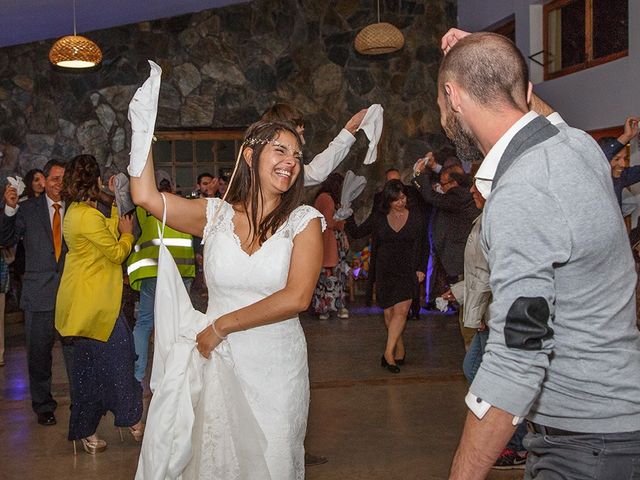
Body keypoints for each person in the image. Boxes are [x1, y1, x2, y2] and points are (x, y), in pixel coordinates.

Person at [439, 29, 640, 479]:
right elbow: (541, 119)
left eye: (441, 101)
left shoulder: (522, 190)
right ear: (526, 92)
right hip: (618, 428)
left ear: (453, 97)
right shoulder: (581, 149)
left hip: (585, 446)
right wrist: (495, 64)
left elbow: (518, 353)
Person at [130, 120, 324, 478]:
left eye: (296, 155)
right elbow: (145, 197)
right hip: (219, 364)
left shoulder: (304, 220)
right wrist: (142, 128)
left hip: (276, 369)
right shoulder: (215, 215)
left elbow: (297, 296)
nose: (291, 162)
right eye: (280, 150)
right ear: (250, 156)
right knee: (220, 463)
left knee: (274, 460)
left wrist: (221, 326)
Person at [54, 154, 143, 454]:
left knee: (88, 372)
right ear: (93, 180)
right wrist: (128, 236)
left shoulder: (76, 212)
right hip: (93, 307)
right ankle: (132, 420)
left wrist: (117, 208)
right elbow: (117, 253)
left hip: (83, 306)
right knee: (120, 359)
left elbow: (104, 229)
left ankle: (88, 430)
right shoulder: (86, 216)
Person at [0, 159, 66, 426]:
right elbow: (6, 239)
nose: (59, 184)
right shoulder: (27, 210)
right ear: (45, 181)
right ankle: (43, 405)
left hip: (72, 292)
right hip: (38, 294)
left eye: (64, 179)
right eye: (54, 179)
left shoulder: (77, 208)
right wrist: (9, 209)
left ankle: (83, 401)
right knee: (39, 354)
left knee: (76, 351)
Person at [345, 180, 428, 373]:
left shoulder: (416, 217)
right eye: (396, 199)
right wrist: (347, 214)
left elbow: (425, 245)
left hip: (408, 270)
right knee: (390, 313)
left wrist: (421, 268)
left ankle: (388, 354)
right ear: (388, 200)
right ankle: (399, 348)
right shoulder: (379, 218)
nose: (401, 202)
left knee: (402, 311)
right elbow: (357, 232)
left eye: (403, 198)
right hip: (385, 271)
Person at [126, 170, 196, 382]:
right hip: (181, 272)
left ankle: (137, 376)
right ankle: (175, 375)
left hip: (152, 271)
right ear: (172, 186)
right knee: (179, 323)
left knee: (145, 322)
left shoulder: (144, 207)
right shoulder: (183, 204)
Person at [261, 103, 368, 187]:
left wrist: (350, 128)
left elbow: (315, 173)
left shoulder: (290, 171)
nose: (303, 142)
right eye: (299, 135)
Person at [312, 172, 350, 320]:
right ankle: (331, 307)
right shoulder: (327, 199)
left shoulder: (320, 198)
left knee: (325, 277)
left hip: (325, 243)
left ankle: (324, 307)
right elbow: (330, 222)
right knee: (332, 276)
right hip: (330, 243)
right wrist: (342, 221)